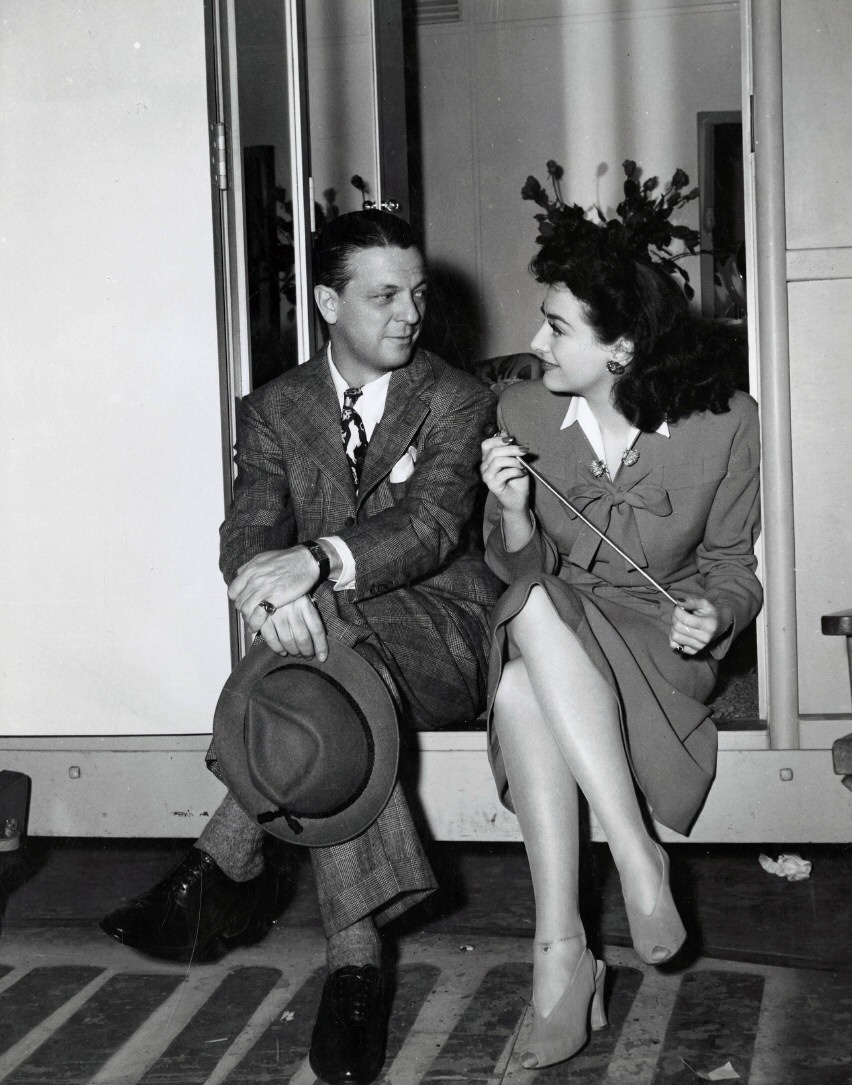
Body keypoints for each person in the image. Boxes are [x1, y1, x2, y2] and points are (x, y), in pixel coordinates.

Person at [101, 210, 502, 1085]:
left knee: (323, 652)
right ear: (327, 301)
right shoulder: (275, 410)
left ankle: (222, 862)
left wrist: (314, 567)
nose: (409, 313)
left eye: (418, 293)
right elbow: (245, 531)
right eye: (384, 294)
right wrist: (267, 593)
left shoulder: (456, 397)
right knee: (328, 672)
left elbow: (433, 527)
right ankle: (354, 968)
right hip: (339, 652)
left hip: (445, 630)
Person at [479, 224, 762, 1070]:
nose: (533, 344)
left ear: (624, 347)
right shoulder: (522, 411)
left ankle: (564, 956)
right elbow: (520, 567)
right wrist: (518, 511)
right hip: (559, 614)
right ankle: (633, 859)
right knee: (530, 604)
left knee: (523, 688)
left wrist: (712, 615)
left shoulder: (725, 423)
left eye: (558, 327)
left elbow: (730, 568)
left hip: (660, 641)